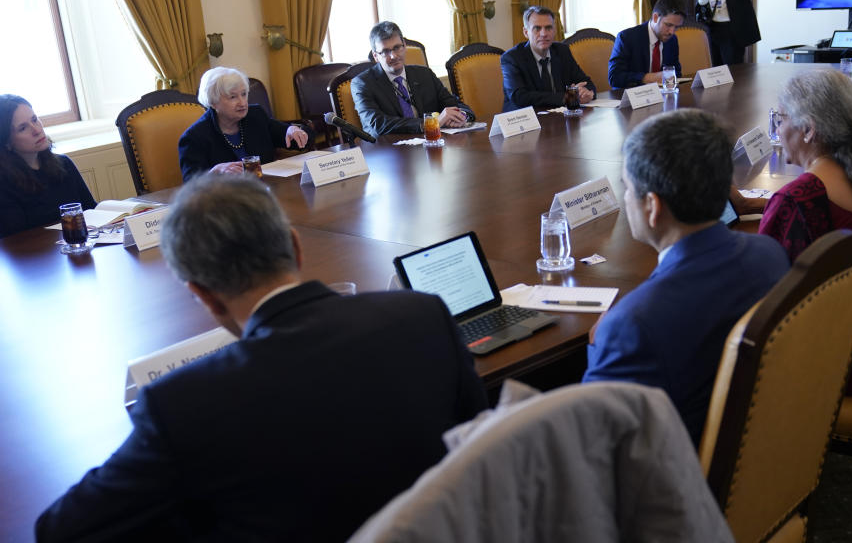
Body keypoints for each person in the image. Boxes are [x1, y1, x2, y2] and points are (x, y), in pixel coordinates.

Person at [35, 174, 488, 542]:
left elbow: (60, 530)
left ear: (202, 295)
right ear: (294, 246)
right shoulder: (423, 314)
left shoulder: (183, 407)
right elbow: (483, 454)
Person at [582, 109, 789, 446]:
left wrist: (597, 343)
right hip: (762, 453)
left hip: (677, 483)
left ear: (653, 205)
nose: (625, 198)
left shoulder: (633, 324)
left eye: (627, 188)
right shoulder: (770, 255)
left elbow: (591, 442)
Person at [743, 69, 852, 395]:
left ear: (809, 129)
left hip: (850, 359)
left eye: (780, 119)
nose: (778, 130)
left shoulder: (797, 199)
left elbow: (762, 293)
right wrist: (761, 205)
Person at [178, 66, 309, 180]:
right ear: (213, 102)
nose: (242, 102)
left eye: (244, 94)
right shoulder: (194, 138)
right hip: (225, 201)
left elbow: (298, 139)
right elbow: (190, 183)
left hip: (265, 191)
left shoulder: (255, 115)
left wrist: (294, 130)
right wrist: (214, 172)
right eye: (233, 97)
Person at [352, 21, 474, 138]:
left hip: (431, 145)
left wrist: (461, 116)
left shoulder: (425, 74)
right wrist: (430, 123)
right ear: (376, 56)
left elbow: (453, 104)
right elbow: (377, 124)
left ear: (404, 46)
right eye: (385, 52)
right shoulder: (362, 84)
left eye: (397, 47)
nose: (393, 56)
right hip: (389, 151)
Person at [0, 94, 95, 238]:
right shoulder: (4, 182)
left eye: (34, 119)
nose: (37, 130)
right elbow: (15, 239)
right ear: (7, 142)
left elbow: (90, 209)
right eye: (23, 128)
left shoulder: (64, 164)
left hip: (78, 248)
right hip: (35, 257)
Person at [501, 6, 596, 111]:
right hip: (524, 122)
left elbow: (586, 82)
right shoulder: (512, 58)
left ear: (554, 30)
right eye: (537, 28)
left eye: (548, 28)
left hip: (559, 118)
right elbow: (520, 97)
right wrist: (569, 97)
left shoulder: (562, 51)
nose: (544, 34)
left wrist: (587, 92)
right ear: (526, 32)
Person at [608, 0, 686, 90]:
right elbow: (614, 77)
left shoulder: (672, 40)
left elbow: (676, 72)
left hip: (662, 98)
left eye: (676, 27)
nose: (672, 32)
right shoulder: (627, 38)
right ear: (655, 17)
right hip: (632, 99)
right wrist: (647, 78)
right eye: (668, 25)